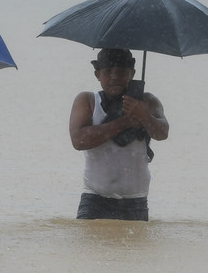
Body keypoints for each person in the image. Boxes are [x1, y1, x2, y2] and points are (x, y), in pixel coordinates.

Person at [68, 48, 169, 221]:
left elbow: (162, 133)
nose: (114, 77)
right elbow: (79, 140)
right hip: (94, 199)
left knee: (136, 249)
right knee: (88, 248)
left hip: (136, 200)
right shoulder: (88, 101)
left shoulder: (148, 101)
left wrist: (144, 115)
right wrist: (126, 122)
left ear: (132, 73)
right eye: (108, 72)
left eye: (121, 72)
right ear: (97, 74)